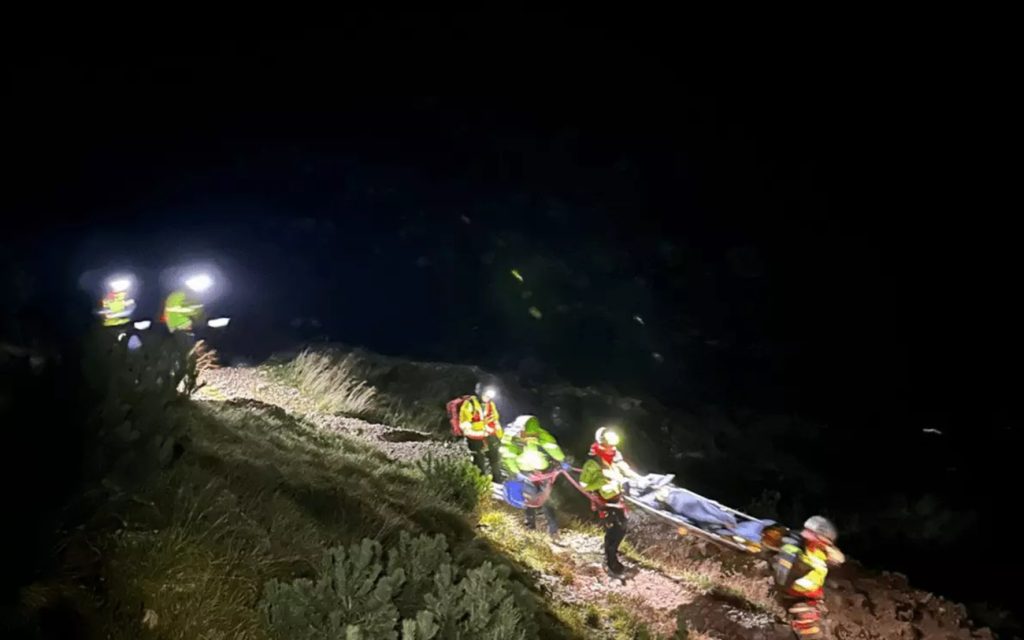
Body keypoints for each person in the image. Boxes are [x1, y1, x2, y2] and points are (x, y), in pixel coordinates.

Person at [580, 427, 641, 577]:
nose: (611, 448)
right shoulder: (592, 462)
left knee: (622, 527)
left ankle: (611, 555)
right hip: (604, 502)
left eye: (613, 445)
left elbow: (625, 469)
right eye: (608, 445)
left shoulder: (615, 456)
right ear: (602, 443)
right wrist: (600, 482)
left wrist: (639, 479)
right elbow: (584, 485)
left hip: (617, 498)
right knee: (613, 530)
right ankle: (611, 564)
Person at [772, 515, 846, 639]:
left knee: (817, 626)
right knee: (810, 629)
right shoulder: (795, 549)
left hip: (812, 597)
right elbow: (783, 573)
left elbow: (839, 559)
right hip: (797, 596)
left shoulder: (819, 552)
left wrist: (829, 550)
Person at [499, 415, 569, 538]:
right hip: (525, 472)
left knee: (546, 499)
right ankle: (530, 526)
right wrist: (516, 471)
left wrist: (562, 459)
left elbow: (552, 447)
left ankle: (553, 530)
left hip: (543, 471)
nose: (530, 438)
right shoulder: (513, 437)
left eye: (533, 435)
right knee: (528, 499)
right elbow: (508, 455)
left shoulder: (541, 435)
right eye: (527, 435)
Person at [453, 385, 503, 478]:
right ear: (480, 393)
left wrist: (499, 436)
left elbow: (495, 420)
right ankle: (480, 479)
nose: (488, 397)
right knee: (479, 460)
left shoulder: (490, 404)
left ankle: (497, 478)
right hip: (474, 435)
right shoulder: (469, 404)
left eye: (489, 396)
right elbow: (465, 423)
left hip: (487, 434)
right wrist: (475, 432)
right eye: (486, 395)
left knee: (495, 456)